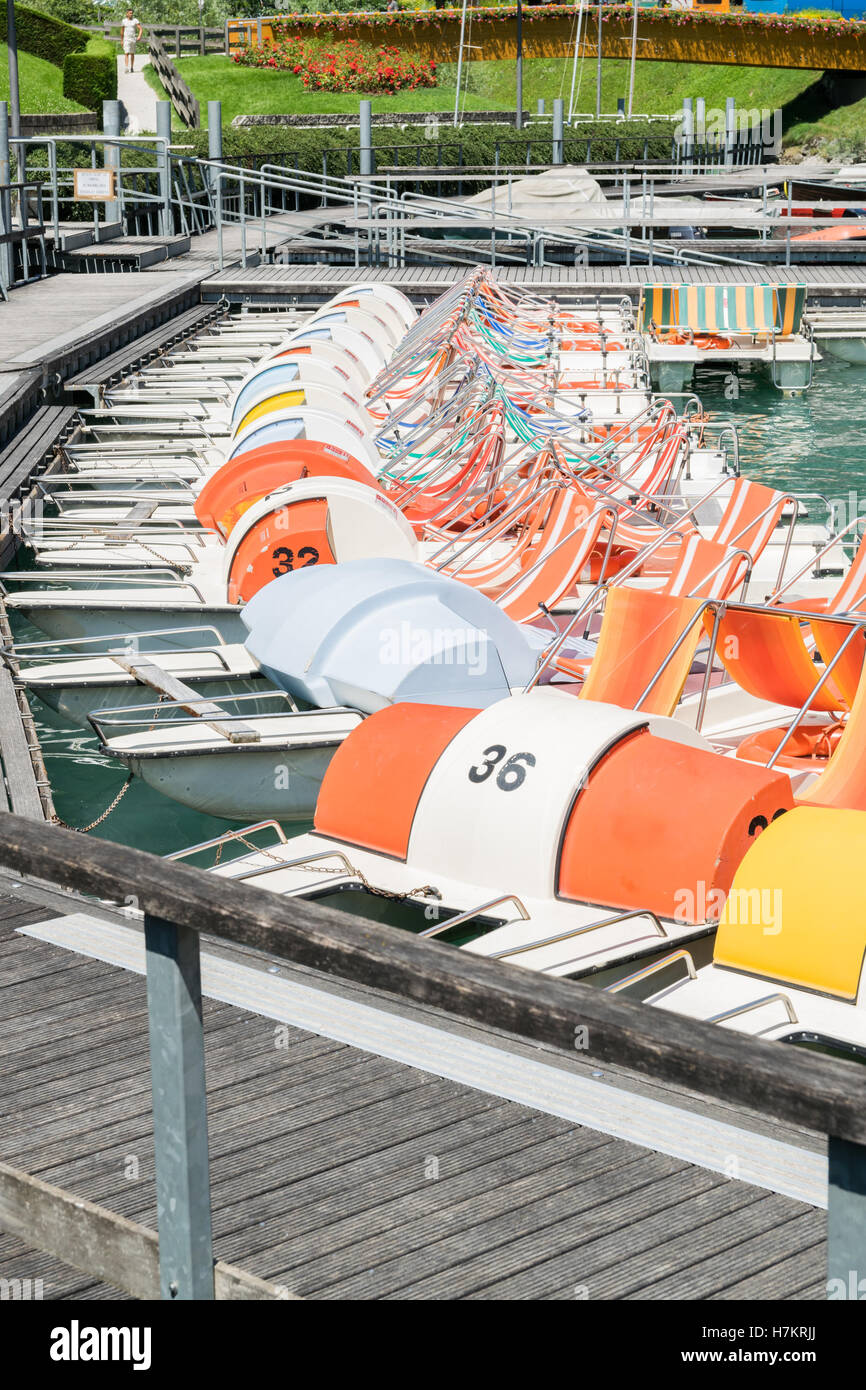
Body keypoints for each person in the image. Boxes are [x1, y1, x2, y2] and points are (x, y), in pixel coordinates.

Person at [120, 9, 143, 74]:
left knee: (132, 53)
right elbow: (122, 31)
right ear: (127, 14)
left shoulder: (135, 20)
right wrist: (121, 40)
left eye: (132, 13)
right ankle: (126, 67)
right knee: (126, 53)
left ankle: (132, 67)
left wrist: (139, 36)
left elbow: (140, 29)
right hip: (126, 39)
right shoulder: (124, 21)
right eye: (130, 13)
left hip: (133, 39)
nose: (131, 14)